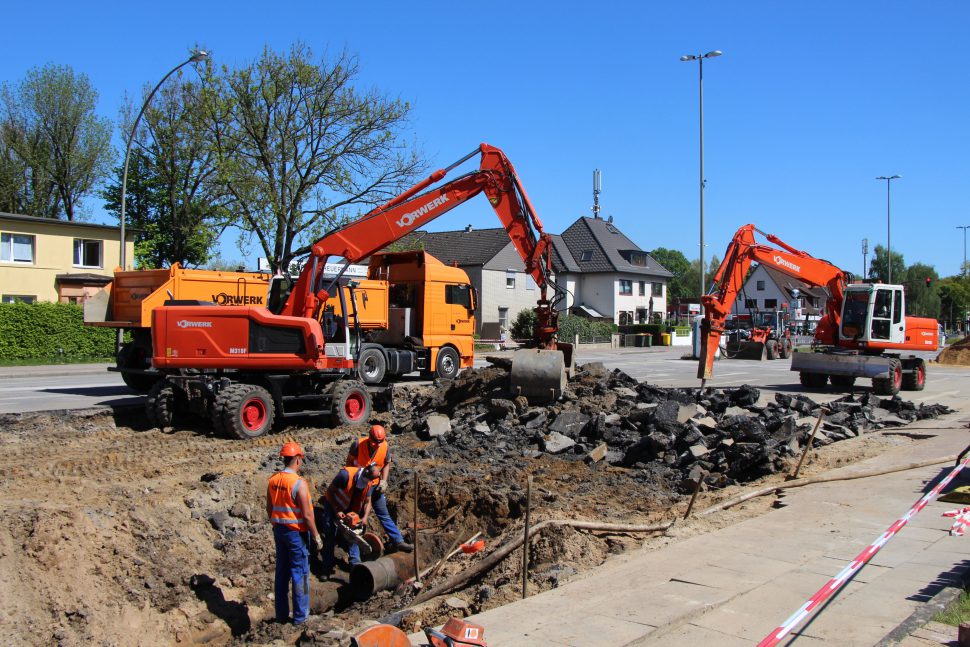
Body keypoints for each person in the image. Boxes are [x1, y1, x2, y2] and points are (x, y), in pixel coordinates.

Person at [266, 442, 323, 625]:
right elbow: (307, 515)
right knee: (300, 573)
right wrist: (316, 536)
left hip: (279, 531)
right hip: (296, 534)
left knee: (282, 573)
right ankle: (301, 618)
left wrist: (277, 524)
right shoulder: (298, 483)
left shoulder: (273, 480)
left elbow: (270, 508)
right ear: (298, 459)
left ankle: (281, 615)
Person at [345, 425, 414, 553]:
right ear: (369, 437)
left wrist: (384, 481)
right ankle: (354, 555)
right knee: (356, 518)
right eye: (374, 443)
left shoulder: (385, 446)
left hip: (375, 486)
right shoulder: (358, 444)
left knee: (384, 514)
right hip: (360, 487)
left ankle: (398, 541)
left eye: (379, 443)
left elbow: (387, 464)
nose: (376, 446)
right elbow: (349, 462)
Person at [319, 463, 382, 576]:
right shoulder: (345, 475)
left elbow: (368, 502)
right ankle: (327, 567)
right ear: (363, 472)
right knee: (330, 532)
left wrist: (365, 517)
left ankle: (355, 564)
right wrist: (337, 510)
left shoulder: (369, 483)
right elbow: (329, 492)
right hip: (334, 503)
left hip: (350, 508)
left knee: (354, 534)